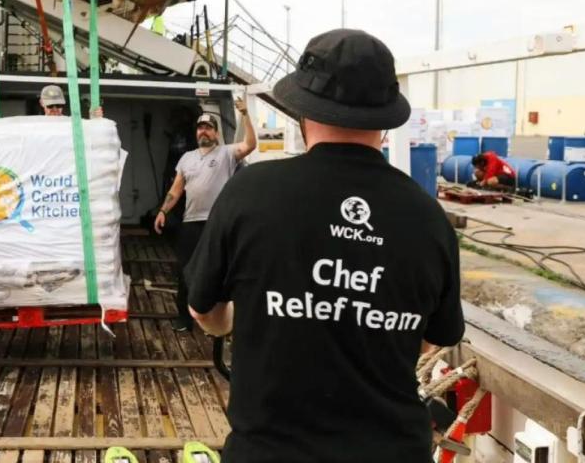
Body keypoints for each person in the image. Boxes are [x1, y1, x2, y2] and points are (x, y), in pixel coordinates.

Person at [186, 29, 464, 463]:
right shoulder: (428, 217)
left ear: (301, 110)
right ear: (385, 118)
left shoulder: (251, 192)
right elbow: (433, 339)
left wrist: (240, 321)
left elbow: (204, 310)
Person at [154, 99, 256, 331]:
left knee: (218, 272)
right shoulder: (186, 158)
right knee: (185, 270)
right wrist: (162, 211)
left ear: (216, 134)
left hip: (217, 224)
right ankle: (184, 318)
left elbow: (250, 144)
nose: (204, 131)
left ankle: (215, 321)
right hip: (191, 224)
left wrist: (246, 114)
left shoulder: (226, 153)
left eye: (209, 127)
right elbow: (176, 189)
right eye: (200, 127)